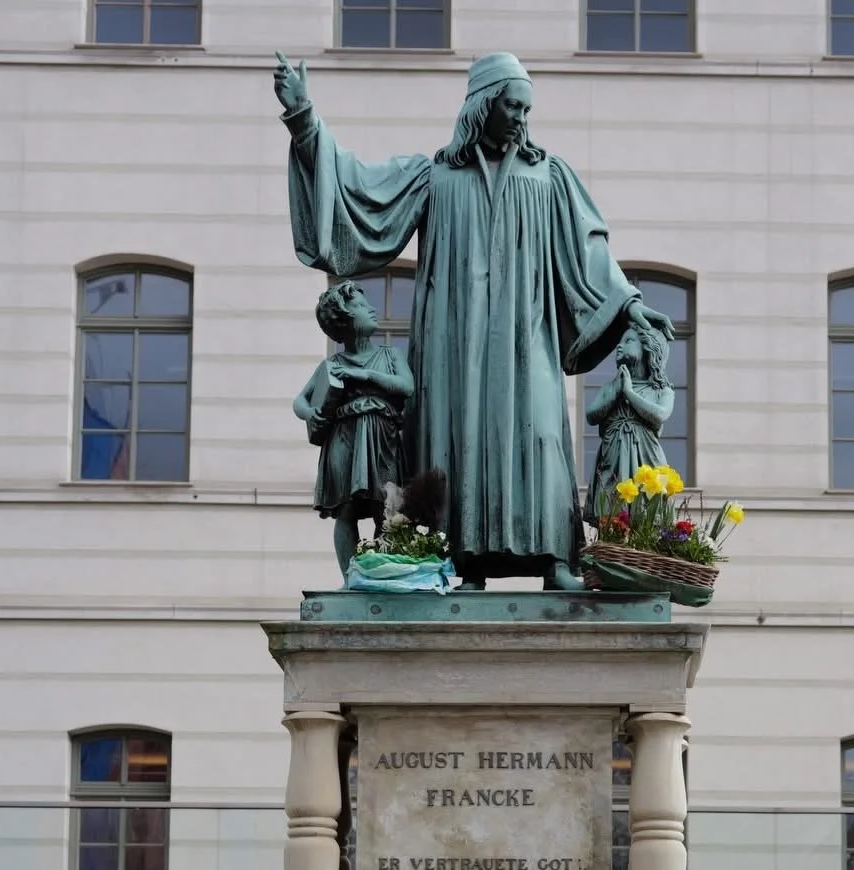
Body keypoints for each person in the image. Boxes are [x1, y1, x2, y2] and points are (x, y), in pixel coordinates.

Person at [273, 49, 675, 591]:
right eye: (513, 106)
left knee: (540, 433)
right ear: (484, 105)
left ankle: (555, 559)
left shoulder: (548, 175)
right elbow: (359, 194)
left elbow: (590, 250)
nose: (521, 118)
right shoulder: (434, 177)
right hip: (452, 343)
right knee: (454, 439)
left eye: (527, 109)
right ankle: (460, 562)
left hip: (527, 335)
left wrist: (627, 303)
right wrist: (304, 121)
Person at [293, 280, 413, 584]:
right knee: (345, 510)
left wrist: (365, 374)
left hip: (382, 437)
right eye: (360, 305)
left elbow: (406, 386)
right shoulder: (332, 364)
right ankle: (351, 580)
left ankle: (382, 576)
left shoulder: (390, 356)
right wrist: (310, 414)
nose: (372, 309)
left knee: (387, 507)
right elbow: (300, 401)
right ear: (343, 320)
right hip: (344, 437)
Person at [585, 325, 674, 509]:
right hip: (613, 458)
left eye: (628, 341)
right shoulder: (610, 388)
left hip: (647, 459)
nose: (619, 345)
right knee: (610, 508)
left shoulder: (661, 390)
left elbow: (660, 414)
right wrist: (616, 391)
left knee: (648, 509)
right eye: (620, 341)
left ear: (648, 348)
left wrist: (629, 393)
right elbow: (591, 416)